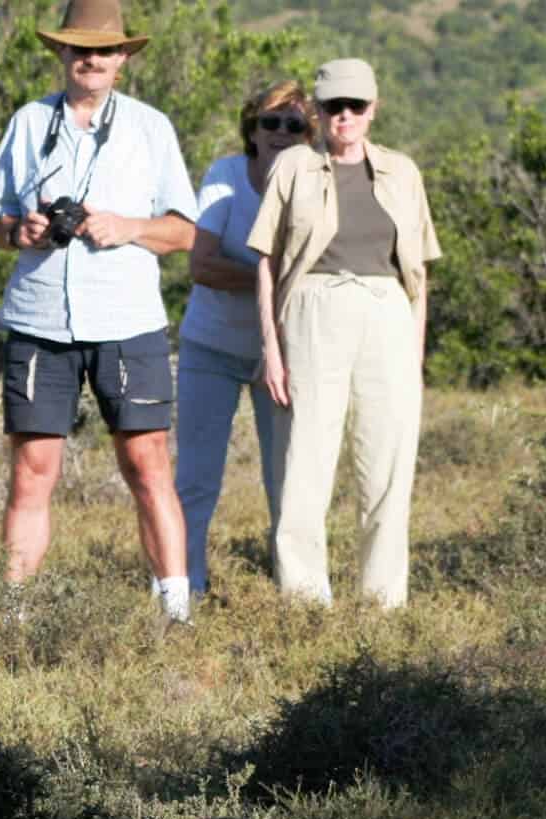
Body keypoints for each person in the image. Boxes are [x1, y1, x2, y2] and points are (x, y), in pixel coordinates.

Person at [0, 0, 197, 623]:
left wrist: (126, 226)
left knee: (146, 459)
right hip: (39, 319)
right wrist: (21, 231)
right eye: (79, 49)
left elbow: (184, 233)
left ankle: (175, 611)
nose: (91, 60)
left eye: (103, 50)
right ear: (62, 55)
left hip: (126, 320)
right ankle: (15, 614)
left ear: (124, 58)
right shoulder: (28, 122)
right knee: (32, 466)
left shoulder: (151, 128)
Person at [248, 58, 439, 610]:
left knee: (388, 462)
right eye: (334, 107)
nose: (345, 117)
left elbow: (420, 275)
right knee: (305, 460)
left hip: (387, 312)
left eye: (356, 106)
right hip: (313, 309)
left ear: (374, 109)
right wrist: (272, 348)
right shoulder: (293, 168)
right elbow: (266, 260)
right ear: (318, 110)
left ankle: (384, 604)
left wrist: (416, 355)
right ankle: (306, 603)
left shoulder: (403, 172)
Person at [174, 81, 316, 597]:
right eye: (269, 123)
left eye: (294, 124)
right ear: (251, 132)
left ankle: (295, 587)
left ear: (310, 135)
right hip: (210, 345)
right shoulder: (225, 176)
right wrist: (271, 280)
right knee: (195, 475)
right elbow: (201, 263)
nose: (280, 133)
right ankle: (182, 585)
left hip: (288, 353)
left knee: (288, 477)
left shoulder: (320, 183)